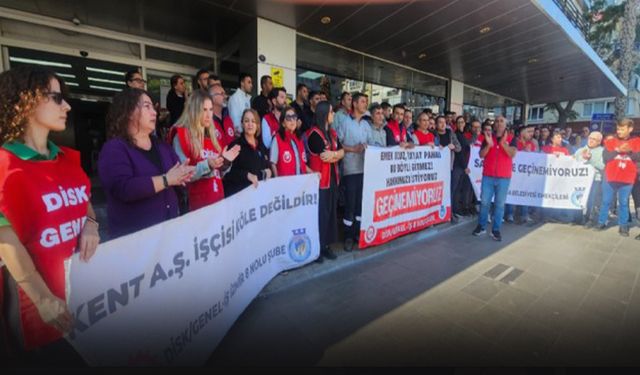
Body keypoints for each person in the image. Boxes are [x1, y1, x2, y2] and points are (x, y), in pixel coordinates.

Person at [0, 67, 100, 363]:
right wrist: (42, 298)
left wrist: (91, 225)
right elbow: (6, 241)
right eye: (56, 98)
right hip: (39, 309)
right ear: (26, 102)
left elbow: (85, 202)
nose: (67, 106)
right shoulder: (5, 165)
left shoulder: (67, 158)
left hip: (86, 299)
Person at [99, 88, 195, 239]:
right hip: (135, 244)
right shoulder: (114, 148)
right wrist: (166, 180)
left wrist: (189, 172)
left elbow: (178, 173)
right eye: (147, 106)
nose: (154, 112)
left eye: (153, 107)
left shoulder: (162, 146)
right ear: (129, 111)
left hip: (168, 236)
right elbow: (123, 188)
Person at [172, 91, 240, 211]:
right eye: (204, 110)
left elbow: (219, 174)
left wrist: (225, 162)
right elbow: (181, 175)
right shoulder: (182, 136)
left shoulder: (212, 137)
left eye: (210, 109)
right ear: (194, 111)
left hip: (217, 202)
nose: (209, 115)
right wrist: (207, 165)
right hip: (196, 208)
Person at [306, 101, 344, 261]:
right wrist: (338, 154)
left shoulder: (332, 133)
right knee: (320, 216)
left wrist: (337, 154)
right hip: (320, 183)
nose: (333, 114)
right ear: (323, 114)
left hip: (333, 180)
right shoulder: (314, 134)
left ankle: (326, 246)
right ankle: (318, 249)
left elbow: (340, 152)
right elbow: (325, 156)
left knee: (330, 215)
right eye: (331, 112)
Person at [472, 115, 518, 241]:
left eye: (501, 121)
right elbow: (481, 155)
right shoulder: (487, 138)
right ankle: (481, 226)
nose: (498, 123)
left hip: (504, 178)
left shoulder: (512, 138)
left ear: (505, 124)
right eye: (496, 121)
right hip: (488, 176)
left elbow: (512, 154)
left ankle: (496, 230)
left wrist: (503, 143)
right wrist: (489, 145)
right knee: (485, 203)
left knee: (499, 205)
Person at [596, 119, 640, 237]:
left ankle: (623, 226)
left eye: (622, 129)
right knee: (606, 201)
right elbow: (606, 158)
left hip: (627, 178)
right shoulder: (611, 141)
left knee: (624, 202)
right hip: (610, 177)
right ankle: (601, 222)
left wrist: (630, 151)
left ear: (630, 129)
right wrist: (617, 150)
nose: (619, 131)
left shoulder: (637, 141)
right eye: (618, 128)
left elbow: (638, 158)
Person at [337, 92, 370, 252]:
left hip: (365, 169)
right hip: (350, 170)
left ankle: (357, 233)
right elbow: (337, 144)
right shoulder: (344, 122)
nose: (365, 104)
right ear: (355, 104)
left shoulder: (366, 125)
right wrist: (353, 149)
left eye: (366, 102)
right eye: (363, 101)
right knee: (349, 205)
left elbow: (370, 145)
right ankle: (348, 236)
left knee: (359, 205)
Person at [223, 109, 274, 197]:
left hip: (257, 197)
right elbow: (227, 174)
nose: (250, 124)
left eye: (253, 121)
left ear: (257, 125)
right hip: (240, 197)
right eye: (246, 121)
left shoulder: (261, 146)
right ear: (242, 124)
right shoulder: (235, 145)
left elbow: (266, 166)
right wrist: (246, 175)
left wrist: (269, 171)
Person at [505, 124, 537, 224]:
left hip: (525, 174)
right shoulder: (514, 142)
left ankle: (524, 214)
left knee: (525, 193)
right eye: (528, 132)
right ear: (521, 132)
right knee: (512, 192)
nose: (530, 134)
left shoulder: (531, 144)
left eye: (530, 132)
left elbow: (535, 158)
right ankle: (509, 214)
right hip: (514, 172)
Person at [574, 131, 604, 227]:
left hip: (595, 179)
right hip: (580, 179)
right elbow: (572, 162)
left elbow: (603, 166)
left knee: (592, 200)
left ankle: (589, 219)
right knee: (578, 198)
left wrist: (590, 159)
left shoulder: (602, 151)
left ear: (599, 142)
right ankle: (577, 218)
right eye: (590, 138)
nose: (591, 140)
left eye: (594, 139)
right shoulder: (580, 150)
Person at [270, 106, 311, 176]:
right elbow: (273, 163)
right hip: (285, 184)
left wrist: (313, 172)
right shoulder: (277, 139)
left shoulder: (299, 139)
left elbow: (303, 164)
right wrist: (277, 181)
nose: (292, 120)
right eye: (288, 118)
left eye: (294, 117)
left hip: (300, 184)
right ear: (283, 123)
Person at [209, 83, 236, 148]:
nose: (225, 96)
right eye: (222, 94)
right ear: (212, 98)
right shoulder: (207, 121)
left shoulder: (228, 118)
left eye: (225, 93)